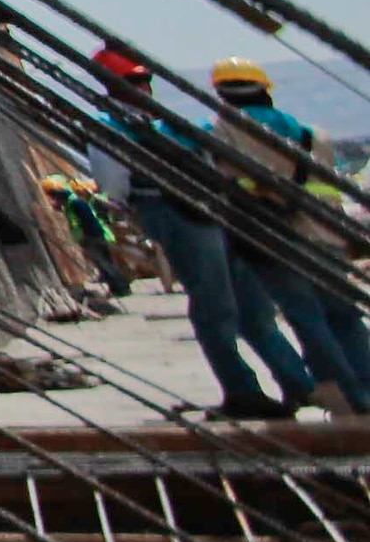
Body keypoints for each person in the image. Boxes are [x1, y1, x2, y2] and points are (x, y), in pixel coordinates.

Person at [97, 48, 324, 416]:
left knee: (214, 309)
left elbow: (112, 184)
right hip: (218, 213)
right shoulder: (166, 125)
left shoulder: (114, 126)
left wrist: (130, 210)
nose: (144, 88)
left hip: (177, 215)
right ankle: (299, 384)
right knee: (251, 310)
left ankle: (247, 391)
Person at [218, 61, 370, 406]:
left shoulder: (227, 133)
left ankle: (347, 393)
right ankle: (367, 387)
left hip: (277, 240)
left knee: (307, 318)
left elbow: (229, 183)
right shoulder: (314, 135)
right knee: (344, 316)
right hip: (326, 237)